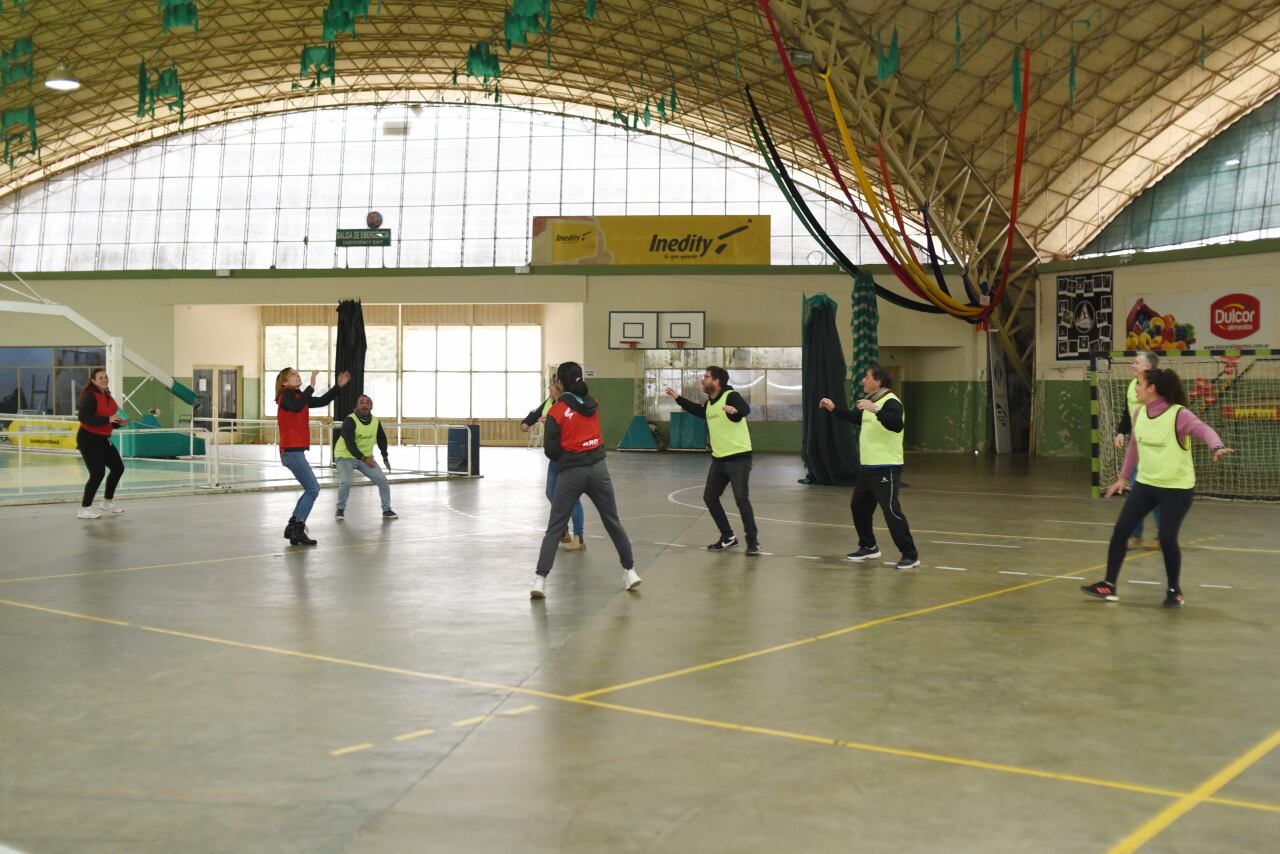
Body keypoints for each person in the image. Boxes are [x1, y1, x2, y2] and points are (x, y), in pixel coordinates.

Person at [1083, 367, 1233, 608]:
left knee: (1166, 536)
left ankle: (1175, 590)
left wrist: (1216, 447)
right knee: (1122, 530)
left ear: (1152, 388)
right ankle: (1108, 585)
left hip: (1177, 488)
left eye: (1139, 384)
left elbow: (1203, 429)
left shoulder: (1178, 415)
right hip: (1146, 484)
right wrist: (1122, 478)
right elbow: (1134, 446)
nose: (1136, 388)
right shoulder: (1140, 413)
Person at [532, 361, 640, 599]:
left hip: (572, 472)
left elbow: (551, 451)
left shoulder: (556, 412)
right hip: (599, 470)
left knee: (555, 528)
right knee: (612, 520)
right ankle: (630, 571)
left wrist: (568, 456)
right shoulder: (593, 403)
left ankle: (540, 580)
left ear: (559, 383)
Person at [819, 365, 920, 570]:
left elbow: (895, 424)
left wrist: (875, 409)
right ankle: (869, 546)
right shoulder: (871, 403)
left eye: (867, 377)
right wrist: (834, 409)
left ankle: (910, 554)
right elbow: (857, 419)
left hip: (887, 467)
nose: (863, 380)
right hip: (868, 468)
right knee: (858, 506)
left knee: (891, 510)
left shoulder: (890, 402)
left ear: (878, 382)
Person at [664, 366, 760, 555]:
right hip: (719, 460)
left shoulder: (730, 396)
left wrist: (734, 411)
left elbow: (744, 410)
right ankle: (728, 537)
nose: (703, 380)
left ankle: (753, 542)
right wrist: (678, 398)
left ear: (717, 381)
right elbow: (698, 410)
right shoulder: (709, 404)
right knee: (710, 497)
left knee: (741, 499)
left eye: (706, 377)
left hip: (738, 458)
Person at [275, 367, 350, 546]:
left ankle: (294, 525)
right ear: (284, 383)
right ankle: (298, 527)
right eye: (292, 374)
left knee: (310, 489)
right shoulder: (285, 396)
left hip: (295, 452)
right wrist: (312, 385)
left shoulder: (299, 398)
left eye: (296, 373)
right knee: (313, 489)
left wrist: (338, 387)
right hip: (291, 451)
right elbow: (295, 406)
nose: (297, 375)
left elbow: (322, 400)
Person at [521, 374, 586, 551]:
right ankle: (564, 530)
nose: (549, 390)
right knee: (552, 493)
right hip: (555, 456)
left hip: (567, 456)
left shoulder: (569, 405)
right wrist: (527, 422)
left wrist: (549, 420)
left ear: (560, 388)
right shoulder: (550, 401)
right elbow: (536, 412)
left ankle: (578, 537)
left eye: (551, 387)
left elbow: (569, 425)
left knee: (571, 497)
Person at [1113, 351, 1162, 549]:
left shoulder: (1160, 387)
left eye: (1137, 363)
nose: (1132, 365)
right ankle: (1135, 535)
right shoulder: (1133, 386)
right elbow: (1127, 412)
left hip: (1154, 445)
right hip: (1137, 441)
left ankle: (1162, 536)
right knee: (1135, 491)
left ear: (1148, 368)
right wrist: (1121, 432)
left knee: (1156, 492)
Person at [75, 368, 128, 519]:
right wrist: (108, 420)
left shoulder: (108, 396)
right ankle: (84, 509)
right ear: (93, 381)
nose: (104, 379)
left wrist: (119, 423)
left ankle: (107, 502)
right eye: (100, 378)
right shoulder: (90, 396)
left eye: (105, 377)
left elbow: (110, 421)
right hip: (88, 438)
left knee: (118, 468)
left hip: (104, 438)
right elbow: (84, 418)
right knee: (97, 473)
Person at [334, 394, 397, 521]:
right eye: (361, 402)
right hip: (345, 456)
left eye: (367, 403)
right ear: (357, 406)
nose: (364, 405)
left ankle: (387, 510)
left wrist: (385, 457)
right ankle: (340, 509)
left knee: (383, 481)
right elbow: (350, 443)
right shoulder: (350, 420)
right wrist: (363, 458)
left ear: (371, 407)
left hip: (365, 458)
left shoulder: (375, 421)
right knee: (346, 481)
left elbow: (381, 439)